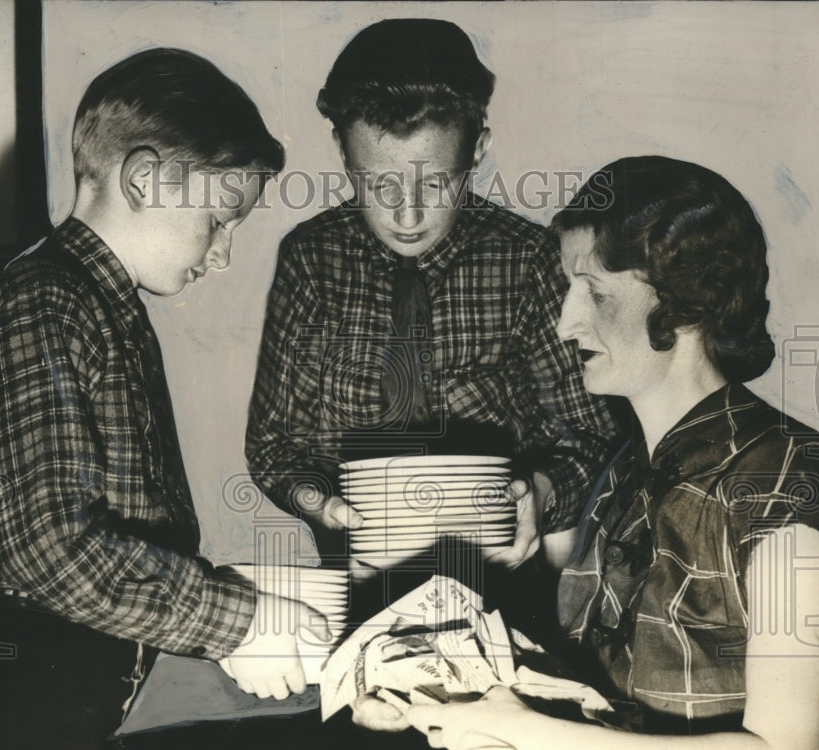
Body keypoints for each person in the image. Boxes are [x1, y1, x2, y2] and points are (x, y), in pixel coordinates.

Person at [0, 49, 330, 750]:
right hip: (6, 704)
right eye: (220, 220)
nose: (223, 254)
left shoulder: (95, 302)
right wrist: (238, 622)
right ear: (147, 179)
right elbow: (54, 549)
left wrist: (242, 596)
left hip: (52, 688)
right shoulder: (49, 301)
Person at [355, 156, 819, 750]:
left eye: (593, 292)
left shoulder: (788, 473)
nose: (566, 321)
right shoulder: (622, 476)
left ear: (680, 306)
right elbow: (592, 700)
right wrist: (429, 689)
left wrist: (532, 743)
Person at [244, 18, 618, 576]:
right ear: (343, 153)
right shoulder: (311, 259)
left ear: (478, 151)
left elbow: (588, 434)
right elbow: (275, 446)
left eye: (436, 184)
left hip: (502, 575)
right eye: (381, 186)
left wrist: (539, 492)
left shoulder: (527, 258)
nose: (408, 216)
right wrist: (318, 503)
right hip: (359, 575)